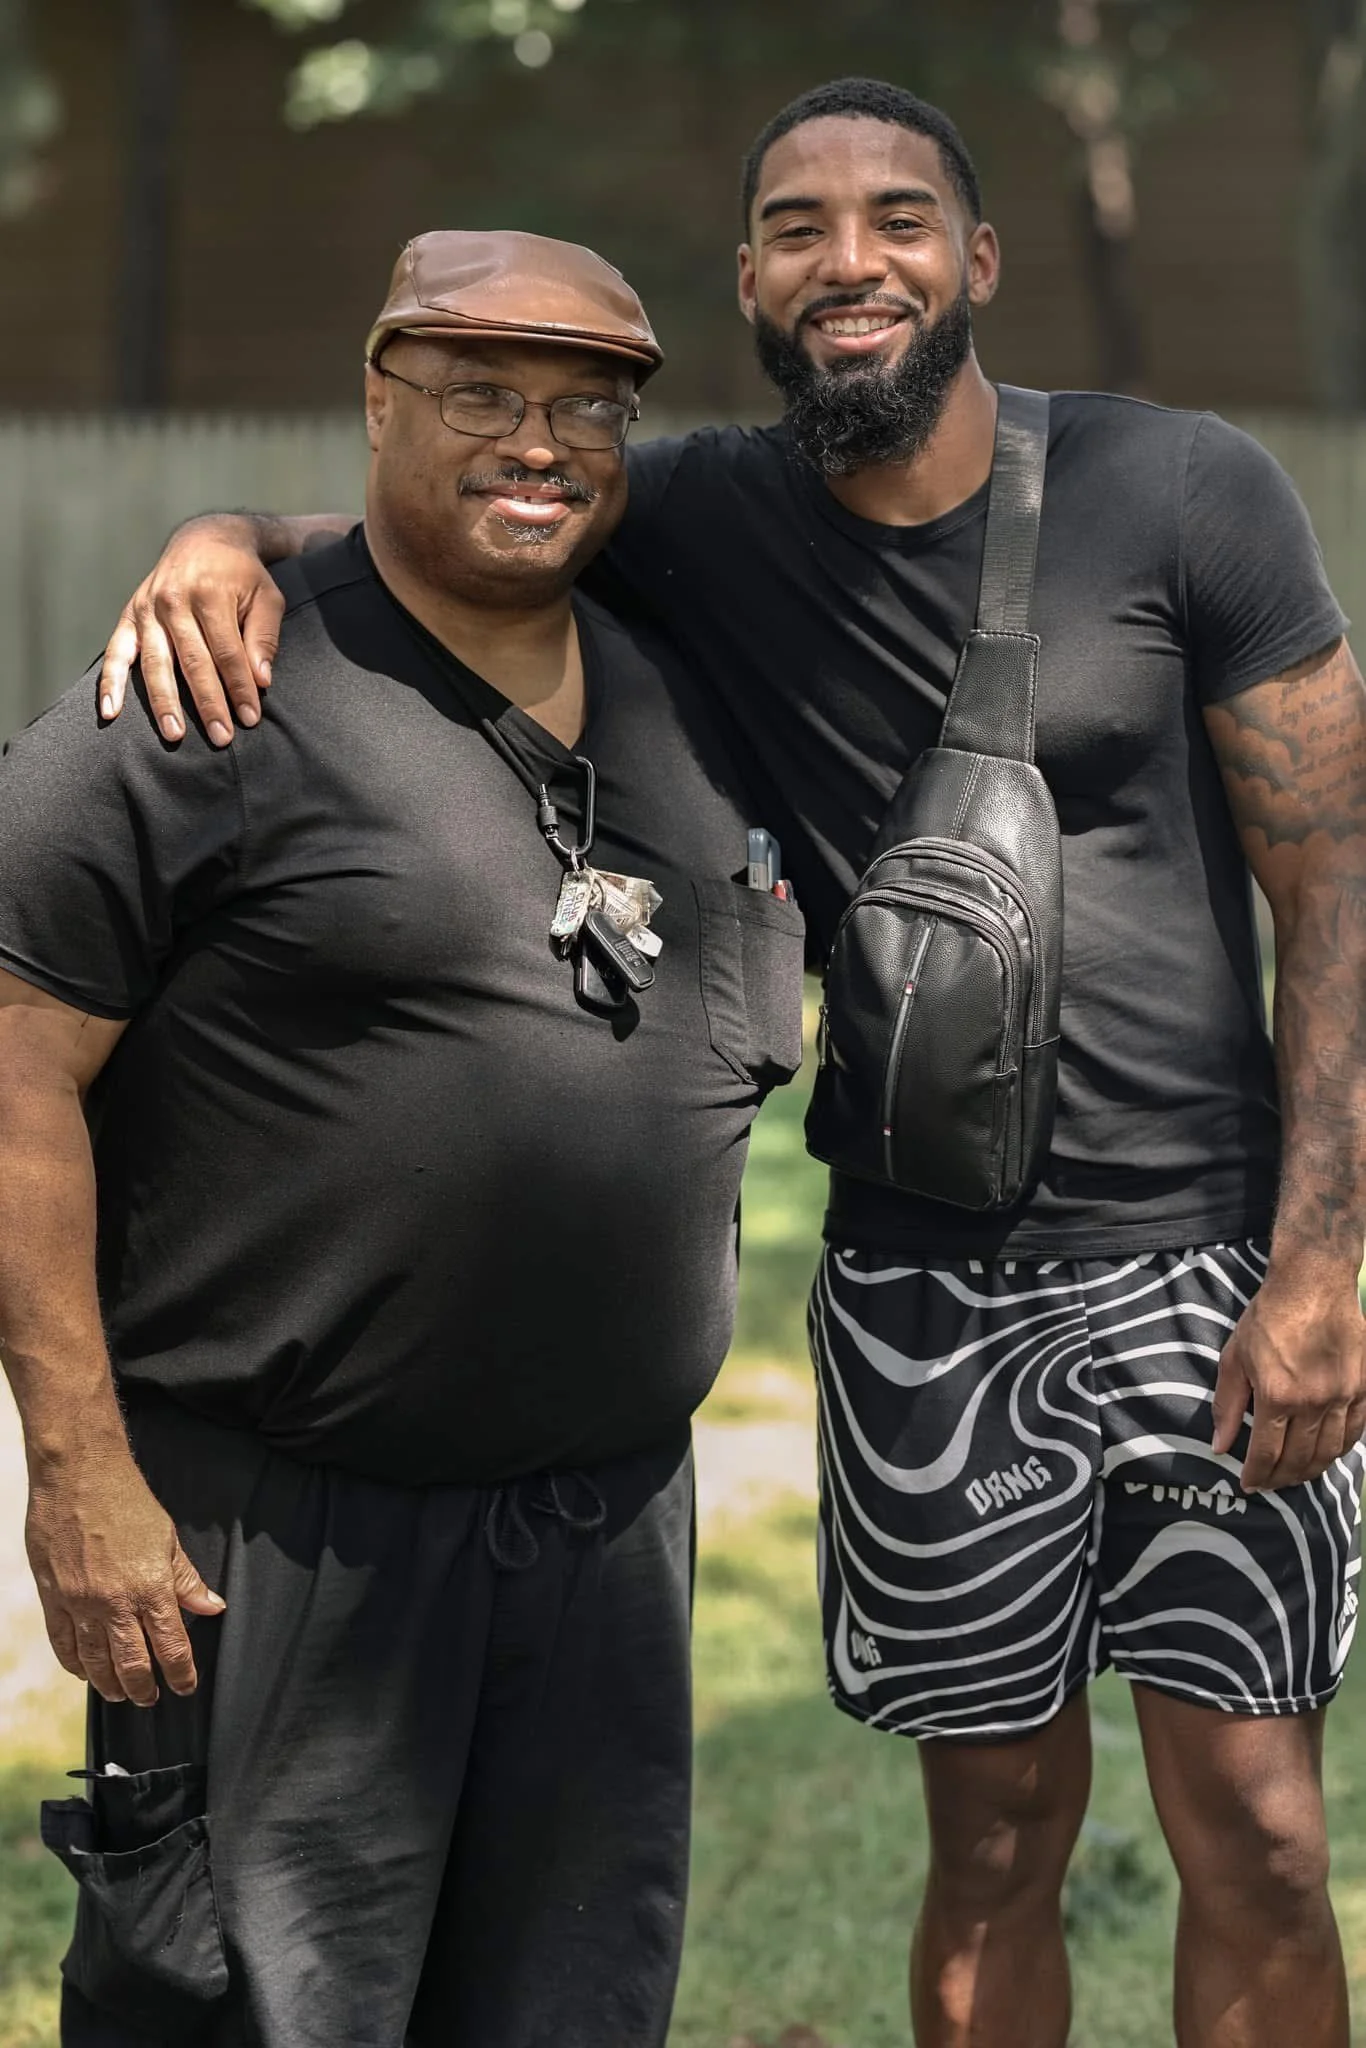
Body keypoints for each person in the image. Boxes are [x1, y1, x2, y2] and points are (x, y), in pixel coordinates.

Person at [97, 75, 1366, 2048]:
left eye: (896, 218)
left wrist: (1318, 1265)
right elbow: (451, 517)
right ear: (752, 283)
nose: (848, 260)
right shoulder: (700, 516)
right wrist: (219, 536)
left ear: (976, 259)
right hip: (921, 1282)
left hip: (1205, 1269)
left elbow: (1333, 878)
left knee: (1263, 1835)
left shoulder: (1181, 489)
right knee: (992, 1835)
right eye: (795, 228)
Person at [0, 229, 806, 2048]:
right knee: (254, 2014)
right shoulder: (208, 694)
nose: (538, 442)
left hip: (607, 1543)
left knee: (568, 2013)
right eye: (479, 395)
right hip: (281, 1543)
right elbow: (13, 1064)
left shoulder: (680, 696)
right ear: (378, 403)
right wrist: (75, 1473)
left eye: (584, 409)